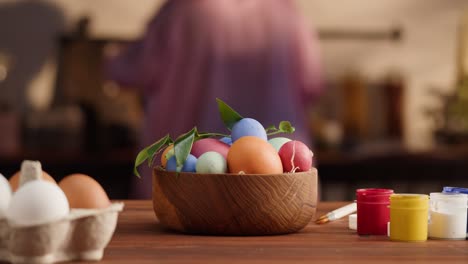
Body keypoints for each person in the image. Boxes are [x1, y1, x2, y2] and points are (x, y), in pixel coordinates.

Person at [107, 0, 323, 198]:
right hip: (283, 183)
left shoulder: (181, 10)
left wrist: (108, 56)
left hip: (185, 182)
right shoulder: (286, 13)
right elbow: (313, 83)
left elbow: (132, 70)